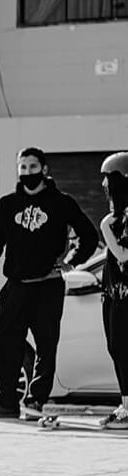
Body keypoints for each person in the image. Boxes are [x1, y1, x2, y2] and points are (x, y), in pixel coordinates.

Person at [0, 146, 96, 419]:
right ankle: (6, 402)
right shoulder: (7, 205)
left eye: (33, 167)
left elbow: (89, 236)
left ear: (45, 169)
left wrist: (71, 260)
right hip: (16, 285)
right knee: (4, 342)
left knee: (46, 344)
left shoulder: (62, 203)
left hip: (48, 286)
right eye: (23, 167)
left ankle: (36, 401)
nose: (27, 172)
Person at [96, 153, 128, 429]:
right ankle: (125, 405)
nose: (105, 185)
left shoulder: (119, 219)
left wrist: (106, 227)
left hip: (125, 295)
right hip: (115, 294)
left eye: (109, 178)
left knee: (123, 347)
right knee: (117, 348)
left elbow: (124, 255)